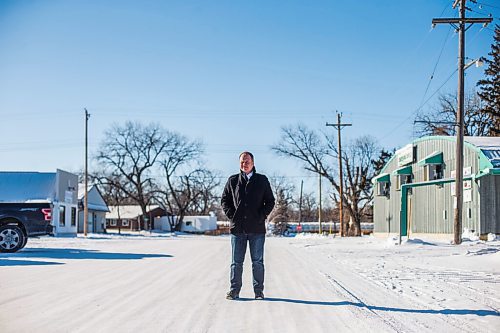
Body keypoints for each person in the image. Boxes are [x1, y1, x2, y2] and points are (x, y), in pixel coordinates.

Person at [221, 151, 275, 300]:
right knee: (236, 263)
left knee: (257, 262)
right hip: (238, 230)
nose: (244, 164)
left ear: (253, 163)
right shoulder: (232, 181)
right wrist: (232, 216)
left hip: (257, 230)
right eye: (242, 162)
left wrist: (261, 216)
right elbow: (224, 200)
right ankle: (234, 290)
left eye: (247, 162)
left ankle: (258, 292)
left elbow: (270, 201)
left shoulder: (262, 180)